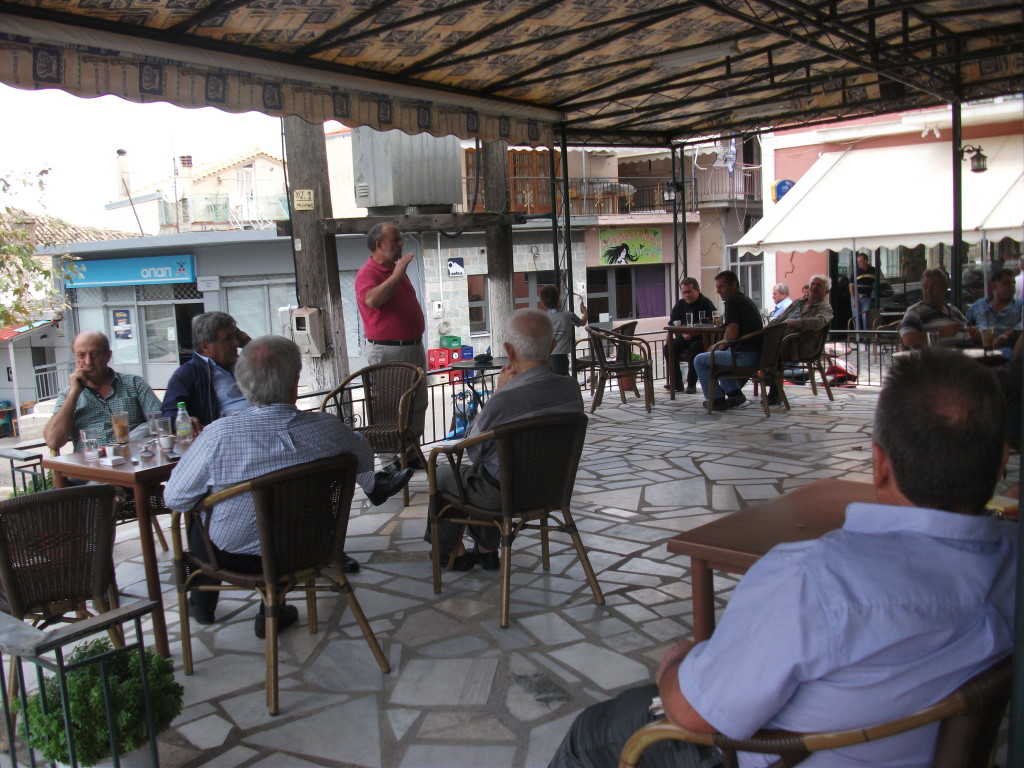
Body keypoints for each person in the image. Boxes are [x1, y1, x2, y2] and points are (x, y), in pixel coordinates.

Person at [549, 348, 1015, 768]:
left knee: (593, 732)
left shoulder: (815, 582)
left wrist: (675, 664)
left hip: (760, 756)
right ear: (1000, 463)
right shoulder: (1010, 563)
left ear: (879, 464)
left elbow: (692, 714)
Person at [163, 336, 413, 637]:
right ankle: (273, 608)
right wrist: (370, 482)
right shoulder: (330, 429)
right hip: (311, 548)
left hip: (235, 558)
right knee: (280, 514)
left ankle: (202, 603)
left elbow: (174, 498)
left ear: (242, 386)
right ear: (295, 384)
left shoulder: (219, 436)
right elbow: (360, 447)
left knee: (199, 517)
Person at [425, 309, 583, 571]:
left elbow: (473, 452)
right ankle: (486, 551)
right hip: (552, 490)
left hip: (504, 497)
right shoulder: (571, 388)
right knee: (491, 469)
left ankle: (449, 551)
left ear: (509, 351)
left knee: (443, 472)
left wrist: (500, 391)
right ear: (553, 345)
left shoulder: (505, 400)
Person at [355, 223, 428, 465]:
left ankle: (411, 454)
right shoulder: (368, 273)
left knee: (417, 402)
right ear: (379, 245)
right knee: (389, 407)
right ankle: (388, 464)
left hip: (412, 346)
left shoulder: (396, 271)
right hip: (388, 350)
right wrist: (397, 275)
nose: (400, 244)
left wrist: (397, 274)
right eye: (395, 240)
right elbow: (372, 300)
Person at [44, 331, 162, 452]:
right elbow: (53, 441)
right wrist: (74, 394)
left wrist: (134, 437)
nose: (88, 361)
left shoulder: (134, 384)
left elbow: (161, 422)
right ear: (75, 358)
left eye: (95, 354)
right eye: (81, 355)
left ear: (108, 356)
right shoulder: (68, 395)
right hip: (90, 462)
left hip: (133, 458)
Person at [161, 311, 251, 428]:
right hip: (228, 432)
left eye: (236, 337)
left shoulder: (245, 364)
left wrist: (249, 343)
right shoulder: (188, 373)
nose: (236, 343)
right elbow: (170, 414)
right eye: (228, 339)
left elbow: (272, 369)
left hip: (263, 424)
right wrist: (186, 421)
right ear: (205, 347)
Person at [691, 271, 763, 411]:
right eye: (717, 287)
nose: (718, 291)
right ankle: (735, 395)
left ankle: (716, 400)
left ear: (733, 285)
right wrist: (721, 346)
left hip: (745, 357)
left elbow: (732, 334)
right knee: (717, 356)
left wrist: (717, 346)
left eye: (721, 287)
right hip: (756, 354)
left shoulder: (733, 301)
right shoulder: (744, 300)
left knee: (699, 360)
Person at [765, 274, 834, 405]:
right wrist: (766, 330)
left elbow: (818, 322)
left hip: (804, 345)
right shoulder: (798, 302)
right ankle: (769, 382)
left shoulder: (825, 308)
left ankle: (774, 389)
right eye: (813, 284)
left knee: (772, 351)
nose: (814, 287)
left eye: (819, 285)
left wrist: (796, 323)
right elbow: (781, 318)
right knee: (762, 344)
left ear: (826, 291)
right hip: (785, 340)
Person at [665, 278, 717, 393]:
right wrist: (682, 333)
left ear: (697, 290)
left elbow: (713, 323)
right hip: (683, 337)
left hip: (701, 339)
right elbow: (672, 323)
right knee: (668, 348)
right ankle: (677, 383)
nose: (686, 295)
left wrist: (696, 332)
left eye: (689, 292)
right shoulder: (680, 304)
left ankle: (691, 384)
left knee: (695, 348)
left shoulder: (706, 303)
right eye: (684, 292)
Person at [899, 268, 968, 349]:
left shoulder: (954, 311)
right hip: (933, 356)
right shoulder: (915, 312)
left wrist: (974, 333)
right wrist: (941, 333)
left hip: (962, 354)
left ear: (944, 288)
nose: (928, 291)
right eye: (925, 287)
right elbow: (908, 339)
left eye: (933, 287)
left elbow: (968, 331)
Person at [965, 268, 1022, 357]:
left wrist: (1007, 336)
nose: (1011, 286)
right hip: (979, 350)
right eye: (1006, 283)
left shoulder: (1020, 305)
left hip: (1009, 351)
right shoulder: (978, 306)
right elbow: (965, 325)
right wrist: (972, 332)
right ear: (993, 286)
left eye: (1013, 283)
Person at [540, 284, 588, 376]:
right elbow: (582, 322)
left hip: (545, 357)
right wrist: (585, 311)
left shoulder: (543, 318)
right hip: (560, 357)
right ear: (558, 299)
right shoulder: (568, 316)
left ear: (543, 302)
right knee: (563, 379)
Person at [852, 252, 881, 330]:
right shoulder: (856, 271)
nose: (858, 263)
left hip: (867, 297)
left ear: (866, 261)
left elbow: (880, 281)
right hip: (856, 297)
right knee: (856, 317)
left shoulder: (873, 270)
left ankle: (866, 334)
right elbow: (851, 286)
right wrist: (853, 298)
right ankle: (858, 334)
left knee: (865, 316)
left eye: (860, 261)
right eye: (858, 262)